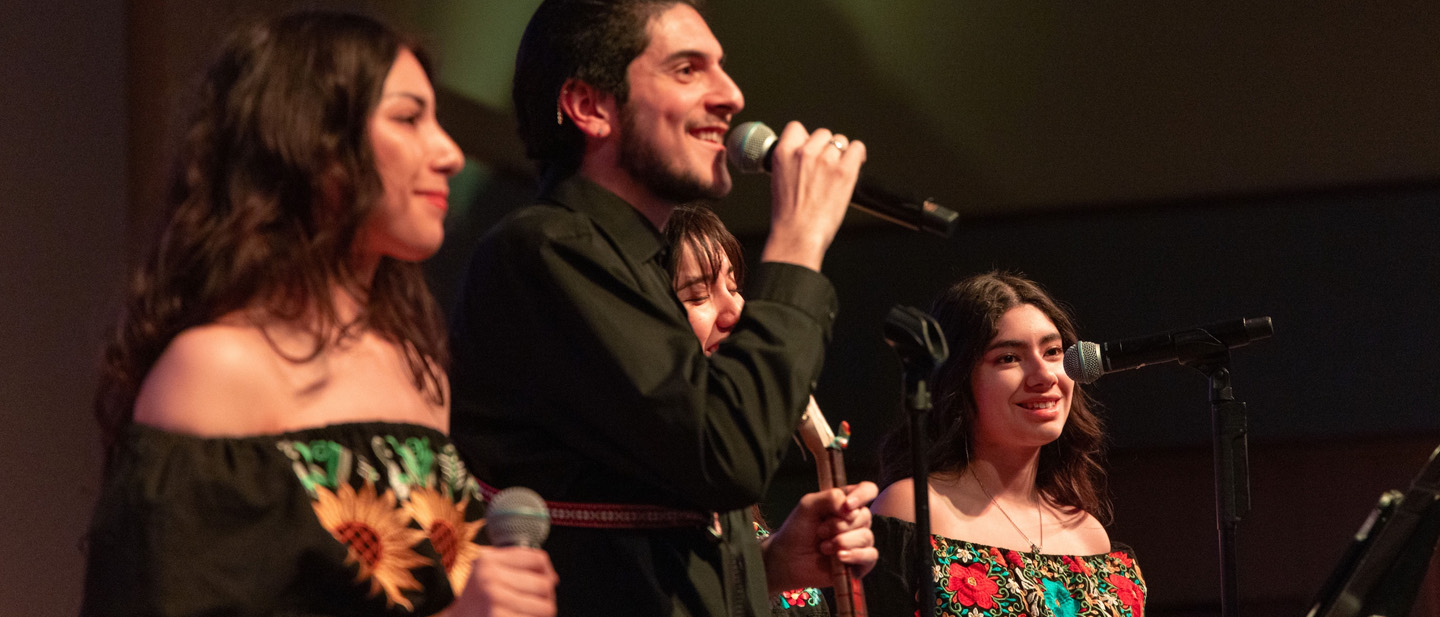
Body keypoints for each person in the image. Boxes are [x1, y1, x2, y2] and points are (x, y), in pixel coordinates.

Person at [81, 12, 556, 617]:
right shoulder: (219, 370)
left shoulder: (415, 367)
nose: (450, 154)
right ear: (315, 143)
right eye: (408, 118)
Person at [447, 0, 870, 614]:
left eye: (721, 68)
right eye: (687, 69)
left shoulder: (637, 264)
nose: (731, 94)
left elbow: (639, 514)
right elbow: (725, 454)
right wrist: (800, 239)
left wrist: (768, 565)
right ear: (590, 106)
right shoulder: (547, 249)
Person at [865, 272, 1147, 616]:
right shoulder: (914, 508)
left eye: (1053, 351)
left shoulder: (1088, 534)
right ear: (957, 379)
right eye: (1008, 358)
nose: (1044, 375)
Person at [664, 203, 878, 616]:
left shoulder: (737, 504)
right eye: (697, 295)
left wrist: (773, 564)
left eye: (733, 286)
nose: (736, 312)